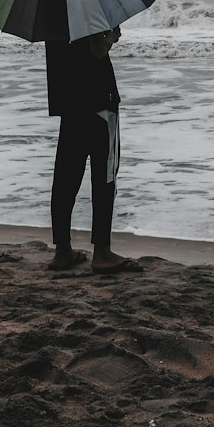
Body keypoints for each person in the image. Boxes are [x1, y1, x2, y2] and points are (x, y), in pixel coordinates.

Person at [44, 25, 138, 274]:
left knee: (65, 176)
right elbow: (95, 50)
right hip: (99, 100)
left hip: (69, 102)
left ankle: (63, 250)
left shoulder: (53, 9)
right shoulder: (88, 5)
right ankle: (102, 252)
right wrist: (110, 37)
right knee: (104, 176)